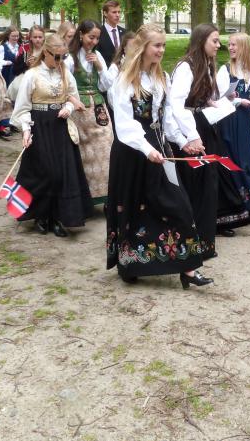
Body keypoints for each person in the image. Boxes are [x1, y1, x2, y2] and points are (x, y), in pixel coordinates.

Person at [106, 24, 212, 287]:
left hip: (156, 146)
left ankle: (188, 268)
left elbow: (165, 119)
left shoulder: (161, 77)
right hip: (131, 151)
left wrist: (183, 141)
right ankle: (131, 264)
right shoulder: (123, 81)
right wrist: (147, 149)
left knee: (177, 204)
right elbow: (125, 126)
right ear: (142, 47)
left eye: (164, 45)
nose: (162, 50)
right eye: (157, 45)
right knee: (133, 207)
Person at [170, 24, 249, 257]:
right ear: (202, 40)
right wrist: (191, 136)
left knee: (208, 183)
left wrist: (211, 102)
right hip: (192, 130)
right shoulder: (186, 67)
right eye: (214, 40)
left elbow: (200, 98)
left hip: (204, 125)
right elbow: (178, 104)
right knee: (196, 183)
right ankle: (193, 242)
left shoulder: (205, 64)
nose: (219, 45)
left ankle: (204, 241)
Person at [11, 34, 93, 237]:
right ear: (45, 53)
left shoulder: (65, 72)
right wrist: (27, 130)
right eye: (56, 57)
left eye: (63, 57)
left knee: (62, 173)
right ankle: (41, 215)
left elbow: (73, 96)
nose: (59, 61)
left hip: (60, 126)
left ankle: (57, 217)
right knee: (45, 172)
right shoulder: (32, 75)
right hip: (39, 125)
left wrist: (68, 108)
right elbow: (22, 108)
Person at [217, 33, 250, 227]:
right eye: (229, 45)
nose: (230, 48)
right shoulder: (224, 70)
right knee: (233, 163)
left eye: (234, 45)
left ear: (244, 47)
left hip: (245, 122)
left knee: (247, 164)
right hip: (229, 120)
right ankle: (241, 208)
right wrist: (239, 100)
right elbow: (219, 97)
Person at [65, 20, 114, 205]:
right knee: (85, 153)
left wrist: (100, 67)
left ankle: (107, 195)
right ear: (81, 35)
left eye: (97, 38)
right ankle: (86, 197)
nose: (93, 42)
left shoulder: (97, 55)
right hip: (79, 111)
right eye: (90, 37)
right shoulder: (70, 58)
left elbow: (107, 85)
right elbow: (66, 86)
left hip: (99, 109)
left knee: (107, 147)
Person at [96, 0, 126, 67]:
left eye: (119, 12)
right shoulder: (99, 33)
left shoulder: (125, 32)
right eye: (114, 12)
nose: (117, 15)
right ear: (105, 13)